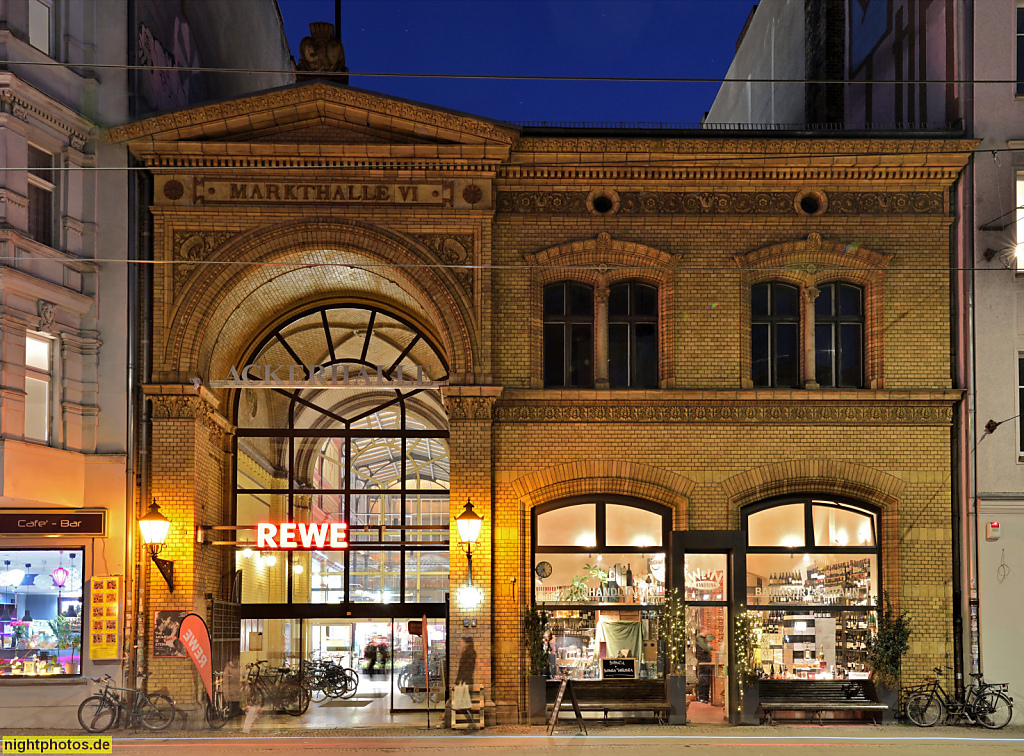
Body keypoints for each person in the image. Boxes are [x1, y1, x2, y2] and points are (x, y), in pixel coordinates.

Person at [695, 627, 714, 704]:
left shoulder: (704, 639)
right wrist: (707, 647)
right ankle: (702, 697)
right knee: (703, 679)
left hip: (706, 661)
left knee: (706, 679)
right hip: (703, 661)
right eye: (707, 630)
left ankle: (705, 697)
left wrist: (708, 647)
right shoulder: (699, 639)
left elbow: (711, 647)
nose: (708, 631)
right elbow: (707, 648)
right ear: (703, 630)